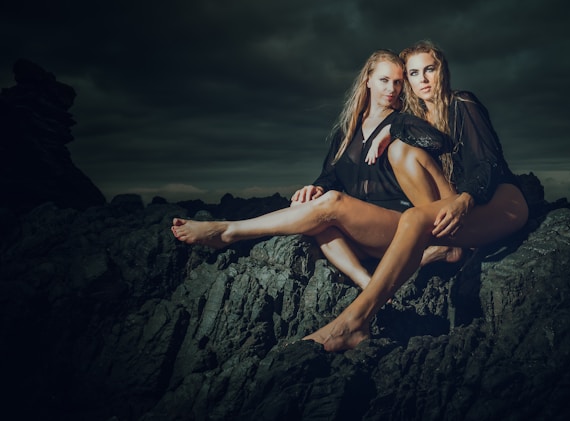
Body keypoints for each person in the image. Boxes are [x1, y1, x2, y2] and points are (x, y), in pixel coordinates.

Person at [304, 40, 529, 351]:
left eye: (429, 70)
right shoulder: (415, 118)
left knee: (412, 218)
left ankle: (354, 322)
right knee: (402, 167)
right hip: (455, 205)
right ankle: (443, 249)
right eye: (413, 73)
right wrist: (392, 131)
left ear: (442, 71)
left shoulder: (463, 103)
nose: (423, 79)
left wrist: (465, 201)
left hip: (499, 200)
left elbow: (488, 163)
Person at [171, 49, 454, 290]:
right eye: (383, 80)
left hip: (398, 226)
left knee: (333, 203)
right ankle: (368, 284)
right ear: (367, 80)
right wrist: (316, 187)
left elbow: (438, 141)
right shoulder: (347, 132)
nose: (391, 89)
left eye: (397, 82)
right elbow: (330, 177)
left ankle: (229, 231)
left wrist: (393, 128)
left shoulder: (406, 122)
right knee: (319, 215)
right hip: (363, 234)